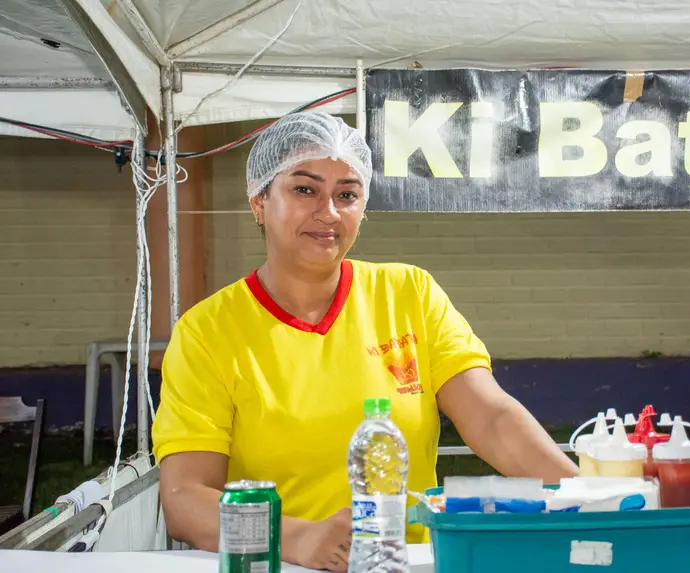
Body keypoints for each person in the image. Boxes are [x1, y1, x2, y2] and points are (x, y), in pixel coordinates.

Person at [151, 111, 578, 572]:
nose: (329, 212)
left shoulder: (409, 294)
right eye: (305, 189)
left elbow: (491, 418)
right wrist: (299, 537)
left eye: (347, 194)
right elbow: (185, 498)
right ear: (259, 201)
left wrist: (588, 496)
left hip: (406, 562)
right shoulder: (208, 332)